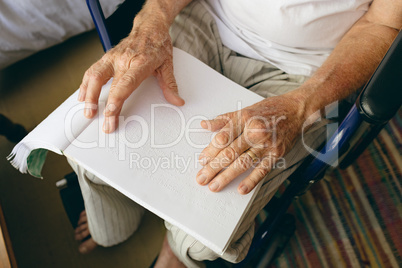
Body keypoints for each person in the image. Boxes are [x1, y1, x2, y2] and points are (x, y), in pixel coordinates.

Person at [69, 0, 402, 267]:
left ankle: (176, 252)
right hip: (208, 15)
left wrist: (302, 105)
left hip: (312, 73)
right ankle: (113, 224)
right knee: (97, 142)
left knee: (201, 236)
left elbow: (384, 23)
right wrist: (153, 18)